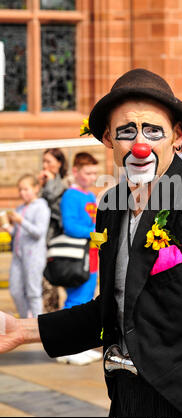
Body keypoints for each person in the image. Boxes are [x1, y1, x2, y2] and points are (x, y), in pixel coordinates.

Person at [0, 69, 182, 418]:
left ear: (177, 136)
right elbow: (114, 310)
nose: (140, 144)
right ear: (109, 139)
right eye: (127, 131)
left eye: (153, 130)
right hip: (127, 400)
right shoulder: (111, 206)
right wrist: (21, 330)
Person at [56, 152, 102, 366]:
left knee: (86, 300)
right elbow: (70, 226)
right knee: (74, 301)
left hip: (91, 254)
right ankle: (66, 347)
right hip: (77, 255)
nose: (92, 177)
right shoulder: (70, 196)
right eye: (87, 172)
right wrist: (95, 232)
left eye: (94, 173)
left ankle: (79, 345)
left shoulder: (90, 196)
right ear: (76, 171)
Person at [1, 174, 50, 318]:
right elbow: (17, 233)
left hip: (34, 256)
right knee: (15, 290)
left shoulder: (41, 207)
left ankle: (37, 324)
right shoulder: (20, 207)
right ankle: (25, 320)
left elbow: (39, 232)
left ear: (36, 188)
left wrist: (21, 221)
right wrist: (7, 227)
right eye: (20, 190)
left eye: (26, 189)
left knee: (33, 292)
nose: (22, 193)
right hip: (18, 255)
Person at [38, 148, 69, 313]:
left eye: (49, 161)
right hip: (41, 241)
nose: (45, 166)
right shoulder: (44, 185)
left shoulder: (64, 185)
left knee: (53, 283)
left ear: (59, 163)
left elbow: (58, 211)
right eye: (43, 162)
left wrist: (48, 184)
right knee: (46, 286)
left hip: (56, 241)